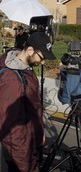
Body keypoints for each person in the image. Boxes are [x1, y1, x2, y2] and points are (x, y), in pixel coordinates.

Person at [0, 32, 56, 172]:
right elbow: (12, 131)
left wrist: (39, 131)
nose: (42, 62)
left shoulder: (25, 69)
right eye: (41, 57)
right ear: (30, 50)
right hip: (18, 156)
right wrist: (26, 164)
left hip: (30, 140)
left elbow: (34, 106)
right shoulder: (12, 80)